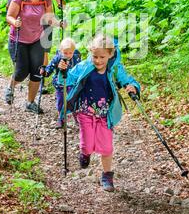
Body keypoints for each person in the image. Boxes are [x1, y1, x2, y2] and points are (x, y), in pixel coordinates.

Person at [58, 34, 140, 192]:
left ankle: (107, 175)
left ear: (110, 54)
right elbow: (65, 80)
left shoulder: (114, 68)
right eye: (95, 56)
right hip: (85, 112)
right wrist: (63, 71)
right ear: (90, 53)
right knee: (87, 145)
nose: (98, 60)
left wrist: (132, 86)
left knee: (107, 147)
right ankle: (85, 153)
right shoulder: (84, 66)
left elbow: (126, 79)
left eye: (102, 57)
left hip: (105, 114)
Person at [5, 0, 64, 113]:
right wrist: (15, 22)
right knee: (21, 72)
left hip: (37, 39)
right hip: (18, 39)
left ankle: (30, 103)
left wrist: (59, 23)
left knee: (37, 72)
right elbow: (9, 16)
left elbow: (49, 18)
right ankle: (11, 87)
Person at [44, 38, 81, 128]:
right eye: (65, 53)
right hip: (60, 83)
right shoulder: (57, 59)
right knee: (61, 101)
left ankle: (76, 117)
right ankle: (61, 119)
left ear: (74, 51)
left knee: (73, 99)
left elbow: (80, 69)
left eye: (70, 53)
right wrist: (45, 72)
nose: (68, 55)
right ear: (61, 51)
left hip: (72, 83)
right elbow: (50, 67)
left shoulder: (76, 58)